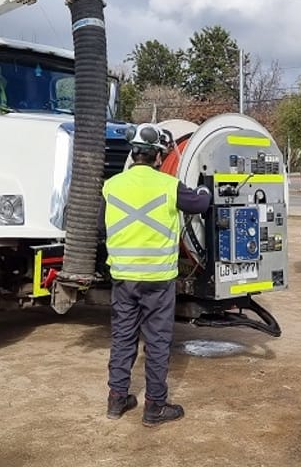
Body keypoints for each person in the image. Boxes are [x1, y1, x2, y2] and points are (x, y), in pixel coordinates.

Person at [101, 122, 212, 426]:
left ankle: (116, 400)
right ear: (159, 157)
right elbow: (202, 202)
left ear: (133, 153)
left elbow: (103, 224)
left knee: (123, 338)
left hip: (124, 279)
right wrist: (205, 187)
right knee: (157, 342)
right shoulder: (169, 186)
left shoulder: (112, 186)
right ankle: (155, 407)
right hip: (158, 281)